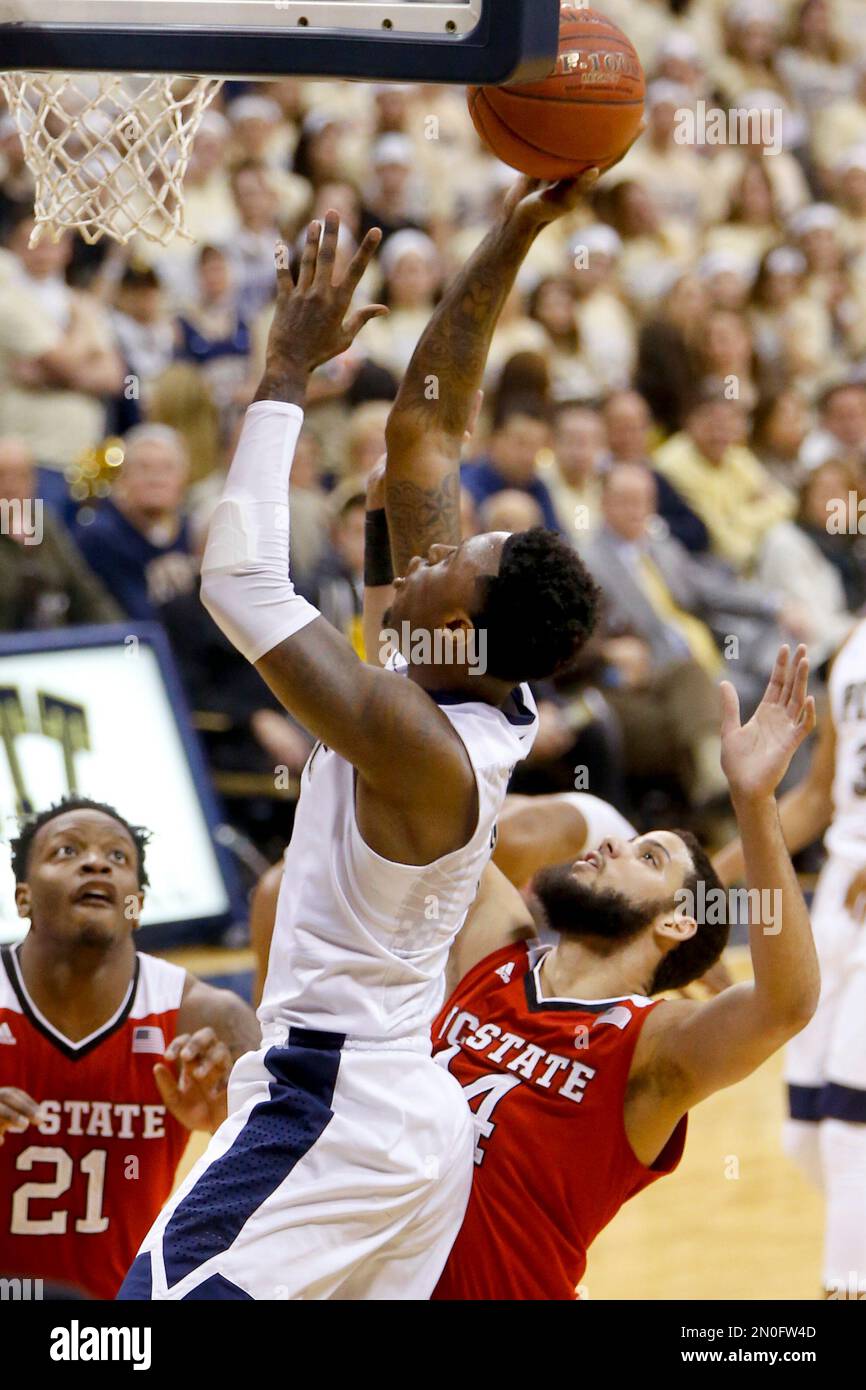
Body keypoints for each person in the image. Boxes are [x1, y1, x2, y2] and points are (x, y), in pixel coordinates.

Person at [119, 175, 602, 1302]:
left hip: (328, 1106)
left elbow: (237, 579)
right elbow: (428, 428)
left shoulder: (419, 742)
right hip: (392, 1105)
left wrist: (282, 372)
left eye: (449, 567)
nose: (426, 555)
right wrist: (513, 233)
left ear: (464, 631)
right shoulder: (464, 673)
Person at [432, 644, 818, 1300]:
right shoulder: (499, 952)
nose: (611, 844)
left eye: (648, 858)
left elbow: (785, 1006)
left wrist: (754, 801)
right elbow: (439, 805)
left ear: (675, 923)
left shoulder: (646, 1052)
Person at [0, 798, 259, 1300]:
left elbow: (280, 1176)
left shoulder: (207, 1016)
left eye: (117, 857)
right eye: (67, 851)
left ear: (136, 904)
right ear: (24, 898)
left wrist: (224, 1124)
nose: (96, 863)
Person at [715, 620, 866, 1298]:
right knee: (804, 1131)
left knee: (849, 1127)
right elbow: (817, 797)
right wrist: (705, 878)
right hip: (840, 897)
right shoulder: (854, 643)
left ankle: (845, 1287)